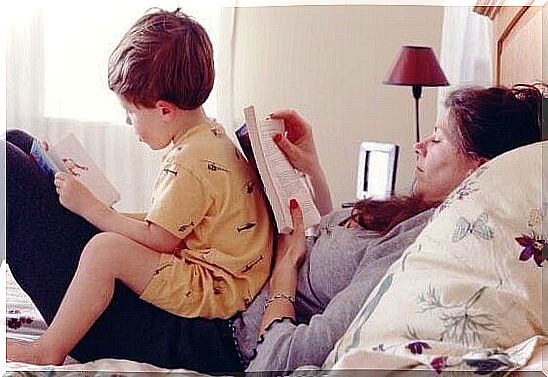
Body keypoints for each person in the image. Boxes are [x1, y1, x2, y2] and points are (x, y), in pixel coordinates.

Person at [4, 83, 542, 372]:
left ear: (480, 168)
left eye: (440, 139)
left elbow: (282, 360)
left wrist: (283, 280)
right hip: (202, 290)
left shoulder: (421, 252)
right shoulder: (416, 217)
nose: (421, 145)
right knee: (23, 143)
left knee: (10, 167)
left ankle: (50, 348)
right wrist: (307, 166)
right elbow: (328, 250)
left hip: (200, 332)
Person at [6, 8, 273, 366]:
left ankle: (47, 350)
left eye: (131, 114)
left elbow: (160, 239)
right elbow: (171, 224)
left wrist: (94, 211)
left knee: (105, 250)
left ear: (164, 110)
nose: (129, 123)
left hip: (209, 294)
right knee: (17, 143)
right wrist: (88, 204)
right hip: (219, 283)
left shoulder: (188, 162)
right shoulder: (209, 139)